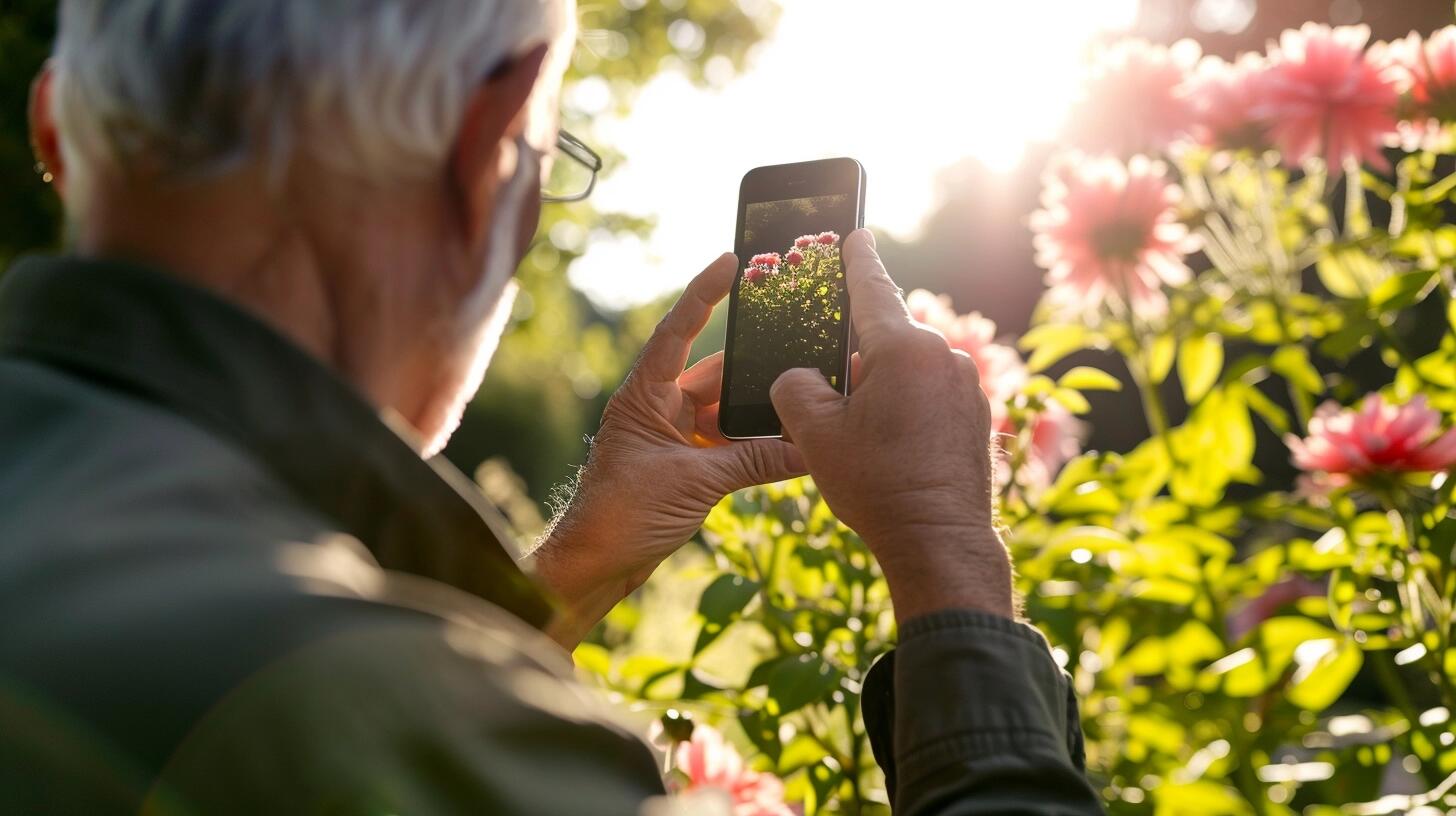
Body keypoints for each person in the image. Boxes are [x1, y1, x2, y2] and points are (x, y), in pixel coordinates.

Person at [0, 1, 1103, 813]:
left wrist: (571, 576)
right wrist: (949, 556)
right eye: (549, 157)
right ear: (488, 152)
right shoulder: (365, 714)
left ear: (59, 132)